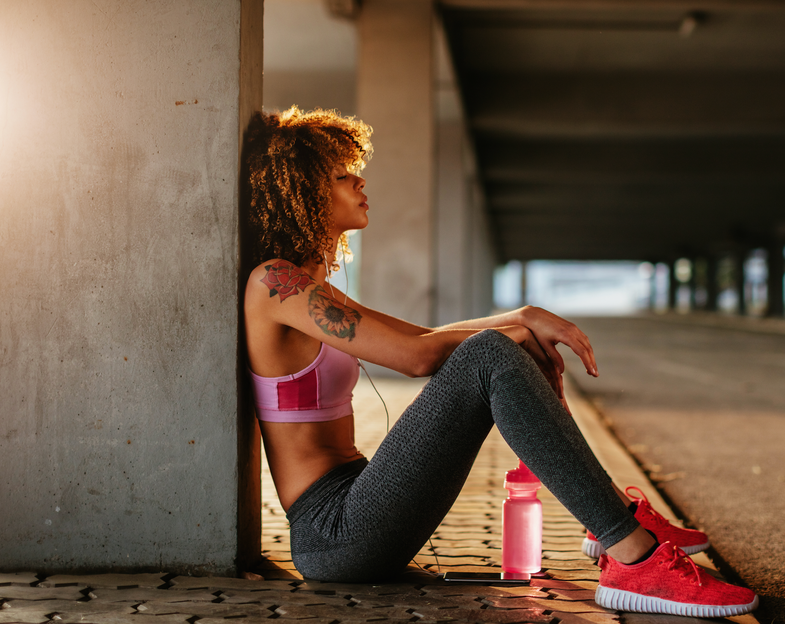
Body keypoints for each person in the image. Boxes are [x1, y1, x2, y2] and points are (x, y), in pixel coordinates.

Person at [241, 107, 758, 618]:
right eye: (342, 175)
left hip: (363, 503)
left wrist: (522, 316)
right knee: (488, 354)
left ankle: (614, 520)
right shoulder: (274, 284)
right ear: (304, 190)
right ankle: (634, 555)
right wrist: (508, 333)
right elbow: (418, 357)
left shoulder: (310, 287)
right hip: (333, 533)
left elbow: (422, 336)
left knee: (490, 349)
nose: (360, 182)